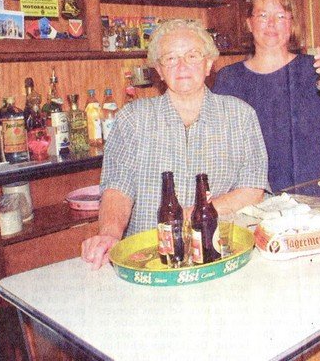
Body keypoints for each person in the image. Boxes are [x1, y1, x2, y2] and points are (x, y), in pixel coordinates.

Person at [81, 19, 268, 269]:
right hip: (149, 260)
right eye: (170, 58)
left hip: (217, 256)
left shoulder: (240, 115)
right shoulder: (133, 118)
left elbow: (252, 190)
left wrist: (193, 214)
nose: (182, 66)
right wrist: (110, 234)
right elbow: (117, 187)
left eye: (192, 56)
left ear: (208, 64)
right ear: (159, 70)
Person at [212, 0, 320, 193]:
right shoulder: (229, 78)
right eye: (263, 15)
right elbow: (217, 153)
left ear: (291, 24)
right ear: (249, 23)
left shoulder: (315, 69)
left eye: (281, 16)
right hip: (254, 199)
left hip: (313, 196)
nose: (271, 24)